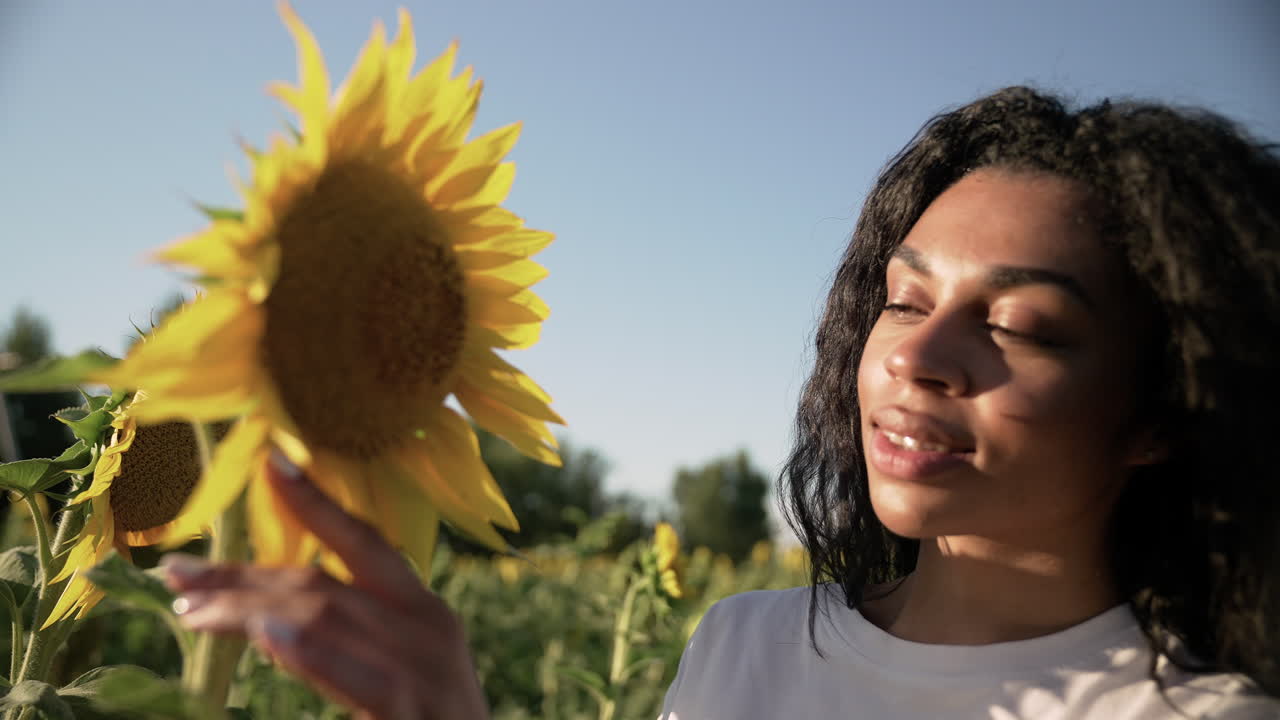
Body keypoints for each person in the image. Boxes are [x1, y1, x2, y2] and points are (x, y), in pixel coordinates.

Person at [160, 86, 1280, 719]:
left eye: (1018, 327)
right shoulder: (745, 648)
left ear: (1158, 415)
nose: (916, 357)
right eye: (899, 301)